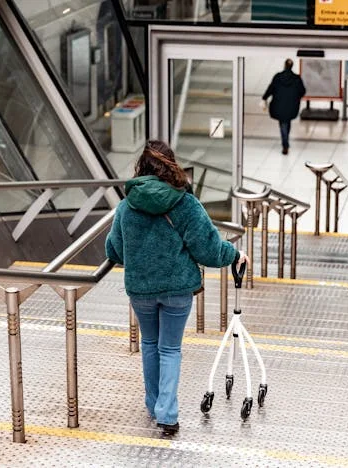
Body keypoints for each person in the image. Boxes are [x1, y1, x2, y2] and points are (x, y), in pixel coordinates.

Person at [105, 140, 248, 436]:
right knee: (169, 349)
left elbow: (114, 250)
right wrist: (234, 255)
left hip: (141, 290)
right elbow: (208, 249)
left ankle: (154, 404)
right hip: (177, 290)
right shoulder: (186, 204)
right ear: (171, 166)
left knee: (149, 344)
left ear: (140, 169)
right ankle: (167, 415)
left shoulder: (126, 207)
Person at [262, 59, 306, 155]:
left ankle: (285, 144)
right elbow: (302, 91)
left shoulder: (278, 77)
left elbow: (271, 88)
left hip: (278, 104)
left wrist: (264, 97)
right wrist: (296, 97)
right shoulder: (297, 79)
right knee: (286, 122)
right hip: (291, 105)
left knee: (283, 123)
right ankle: (285, 142)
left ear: (284, 66)